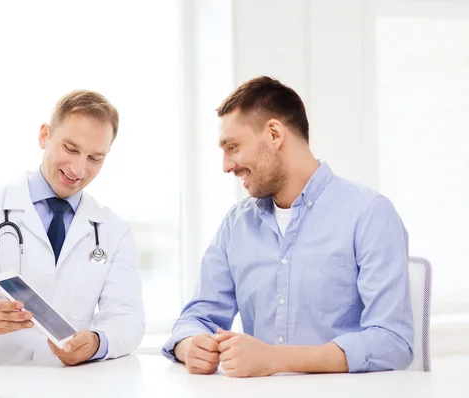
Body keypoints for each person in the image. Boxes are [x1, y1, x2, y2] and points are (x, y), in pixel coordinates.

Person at [162, 76, 413, 377]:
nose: (226, 166)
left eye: (233, 147)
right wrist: (190, 346)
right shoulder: (235, 224)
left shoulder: (369, 214)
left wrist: (276, 359)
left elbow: (393, 342)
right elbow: (197, 317)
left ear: (274, 133)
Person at [0, 90, 144, 371]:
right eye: (70, 149)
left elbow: (128, 318)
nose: (78, 168)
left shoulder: (114, 230)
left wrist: (97, 342)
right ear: (44, 136)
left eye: (95, 158)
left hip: (63, 385)